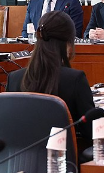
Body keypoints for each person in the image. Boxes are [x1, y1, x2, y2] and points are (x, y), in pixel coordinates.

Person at [8, 11, 95, 139]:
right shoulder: (75, 79)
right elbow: (92, 132)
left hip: (21, 151)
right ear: (69, 43)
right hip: (62, 151)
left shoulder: (14, 79)